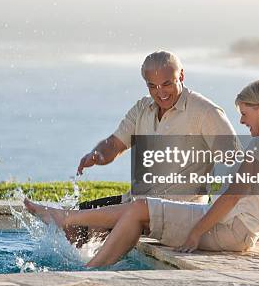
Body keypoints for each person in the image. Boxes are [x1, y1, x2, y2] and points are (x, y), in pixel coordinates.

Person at [25, 79, 259, 267]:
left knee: (139, 209)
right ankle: (71, 224)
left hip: (228, 231)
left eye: (245, 112)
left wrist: (196, 233)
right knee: (138, 210)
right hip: (236, 230)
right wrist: (254, 225)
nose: (241, 120)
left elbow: (234, 195)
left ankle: (80, 249)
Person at [78, 50, 238, 209]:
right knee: (73, 219)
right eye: (153, 86)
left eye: (167, 84)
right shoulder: (142, 108)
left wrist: (237, 220)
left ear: (181, 76)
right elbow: (114, 144)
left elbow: (237, 165)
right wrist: (97, 154)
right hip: (136, 204)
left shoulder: (206, 112)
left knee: (90, 225)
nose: (160, 92)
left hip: (179, 212)